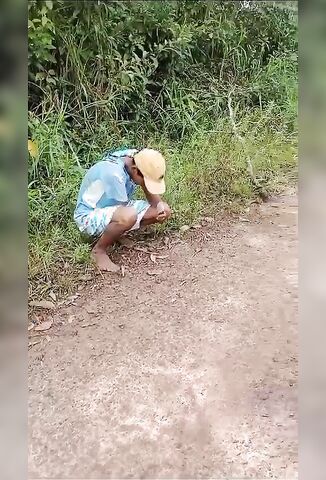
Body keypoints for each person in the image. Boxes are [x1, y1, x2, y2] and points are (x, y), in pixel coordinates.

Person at [74, 147, 171, 272]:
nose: (146, 185)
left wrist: (159, 205)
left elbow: (152, 199)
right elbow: (124, 211)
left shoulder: (133, 158)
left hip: (113, 207)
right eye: (146, 181)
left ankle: (116, 233)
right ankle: (98, 251)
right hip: (88, 216)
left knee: (164, 209)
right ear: (135, 170)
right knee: (128, 216)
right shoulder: (114, 175)